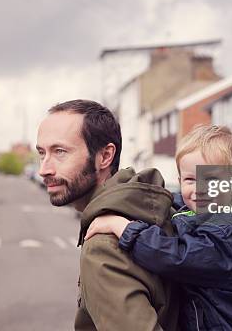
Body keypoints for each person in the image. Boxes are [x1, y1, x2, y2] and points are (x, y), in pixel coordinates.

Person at [85, 125, 232, 331]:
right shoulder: (207, 211)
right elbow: (178, 204)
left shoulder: (229, 235)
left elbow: (178, 257)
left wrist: (124, 228)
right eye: (191, 179)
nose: (199, 190)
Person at [36, 99, 179, 331]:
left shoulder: (104, 244)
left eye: (60, 152)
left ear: (104, 156)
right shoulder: (150, 208)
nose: (44, 169)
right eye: (42, 153)